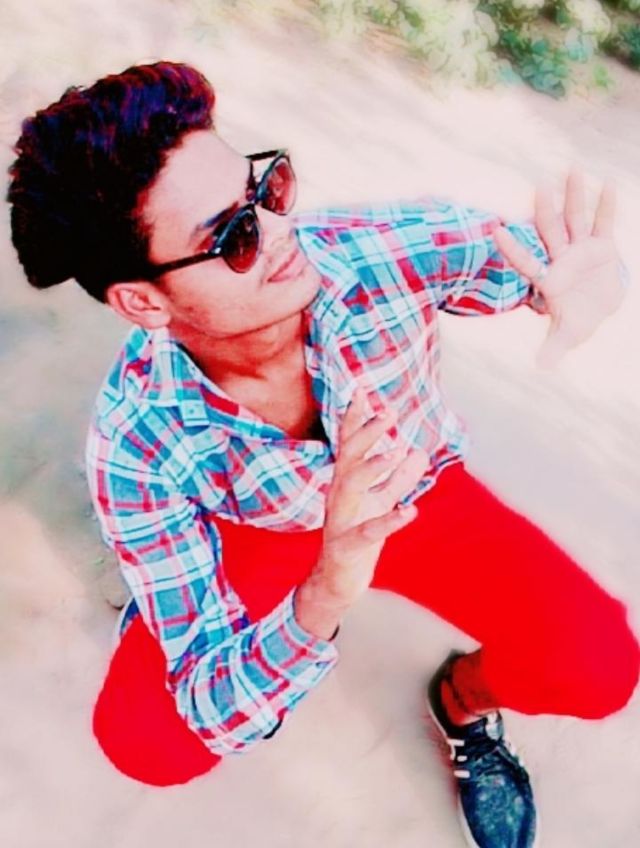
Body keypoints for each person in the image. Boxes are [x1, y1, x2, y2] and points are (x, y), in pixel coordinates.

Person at [7, 61, 638, 848]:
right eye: (234, 237)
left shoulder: (368, 253)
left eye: (265, 189)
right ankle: (180, 588)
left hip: (415, 490)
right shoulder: (136, 442)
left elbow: (533, 262)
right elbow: (207, 700)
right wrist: (327, 591)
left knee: (599, 667)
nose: (282, 234)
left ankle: (461, 704)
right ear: (145, 302)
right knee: (149, 740)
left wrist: (589, 283)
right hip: (260, 533)